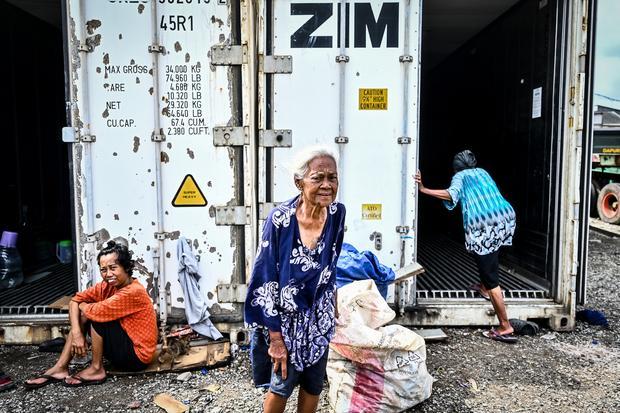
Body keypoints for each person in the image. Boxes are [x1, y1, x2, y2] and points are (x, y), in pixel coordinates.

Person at [245, 146, 346, 413]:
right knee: (281, 386)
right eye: (318, 178)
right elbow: (264, 279)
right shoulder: (280, 220)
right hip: (285, 322)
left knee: (313, 384)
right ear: (299, 182)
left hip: (319, 317)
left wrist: (332, 300)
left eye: (332, 178)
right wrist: (275, 339)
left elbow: (332, 261)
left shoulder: (337, 214)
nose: (327, 185)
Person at [415, 150, 517, 343]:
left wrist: (424, 189)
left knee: (491, 274)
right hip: (504, 219)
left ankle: (505, 325)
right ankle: (485, 287)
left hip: (484, 226)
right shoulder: (483, 172)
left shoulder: (460, 177)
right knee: (486, 255)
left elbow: (450, 194)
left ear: (456, 167)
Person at [24, 240, 158, 388]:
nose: (108, 274)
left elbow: (88, 308)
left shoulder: (133, 291)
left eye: (113, 268)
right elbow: (73, 301)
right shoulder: (106, 286)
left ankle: (96, 368)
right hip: (124, 349)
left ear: (126, 267)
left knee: (96, 317)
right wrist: (76, 334)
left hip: (137, 357)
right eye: (103, 270)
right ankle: (60, 367)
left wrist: (80, 304)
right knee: (85, 315)